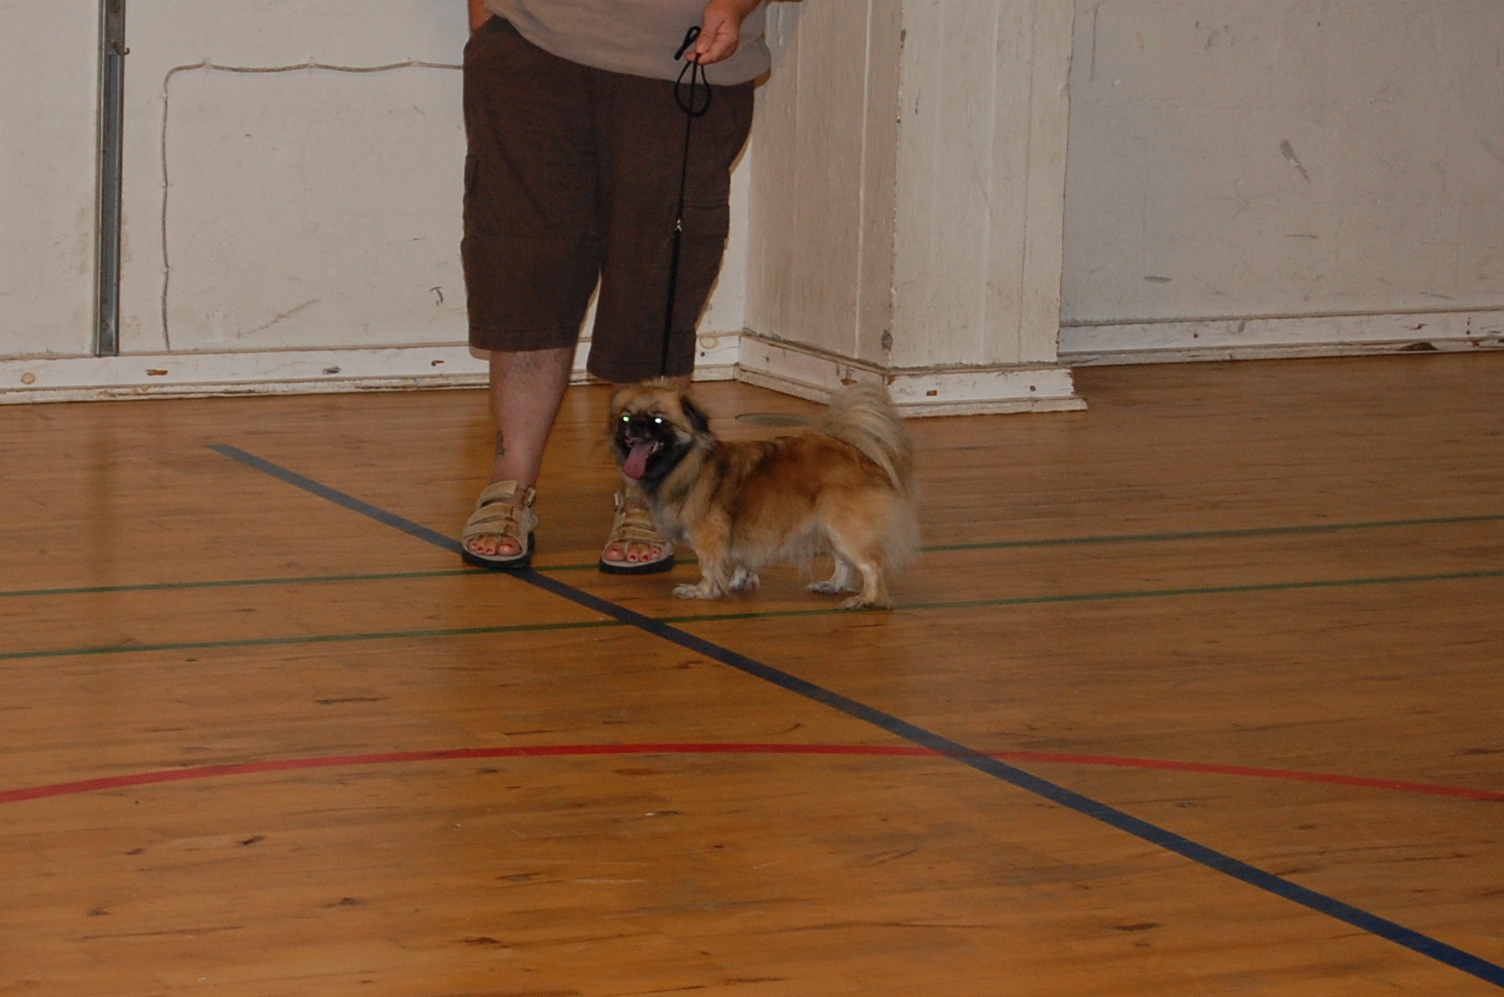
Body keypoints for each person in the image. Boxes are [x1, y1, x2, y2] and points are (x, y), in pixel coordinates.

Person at [459, 0, 767, 573]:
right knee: (523, 273)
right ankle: (509, 486)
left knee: (659, 278)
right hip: (530, 51)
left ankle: (648, 493)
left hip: (681, 60)